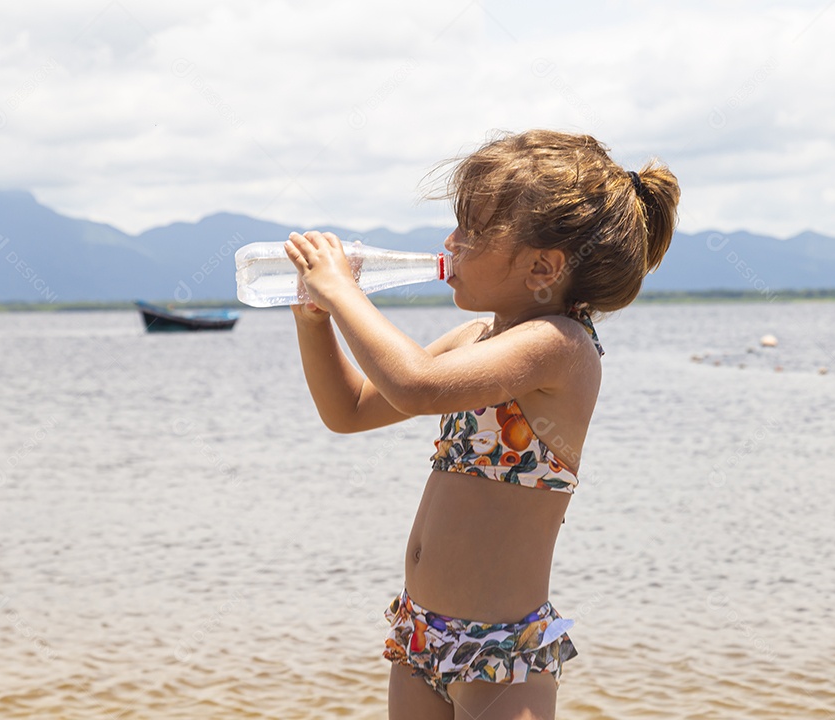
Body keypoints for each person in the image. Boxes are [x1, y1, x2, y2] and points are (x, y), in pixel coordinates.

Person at [285, 129, 680, 720]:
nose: (450, 242)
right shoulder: (476, 339)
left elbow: (417, 384)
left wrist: (344, 292)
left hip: (501, 651)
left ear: (543, 266)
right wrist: (315, 320)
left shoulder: (560, 347)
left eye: (471, 231)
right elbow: (350, 411)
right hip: (421, 634)